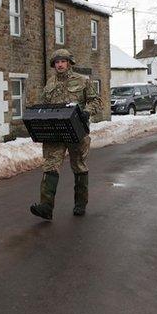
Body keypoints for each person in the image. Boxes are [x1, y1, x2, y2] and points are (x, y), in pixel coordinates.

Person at [30, 49, 101, 219]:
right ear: (54, 65)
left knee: (79, 166)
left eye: (63, 61)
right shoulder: (50, 83)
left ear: (69, 63)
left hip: (77, 131)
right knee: (50, 165)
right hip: (56, 131)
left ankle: (80, 204)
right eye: (57, 62)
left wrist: (86, 111)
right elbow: (44, 105)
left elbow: (96, 100)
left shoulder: (82, 80)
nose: (60, 64)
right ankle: (46, 207)